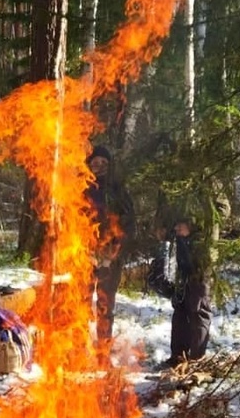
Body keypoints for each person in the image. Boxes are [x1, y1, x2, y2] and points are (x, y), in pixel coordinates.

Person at [148, 181, 229, 366]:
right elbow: (164, 209)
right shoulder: (174, 174)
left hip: (202, 251)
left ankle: (195, 361)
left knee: (198, 305)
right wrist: (162, 227)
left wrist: (191, 225)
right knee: (180, 304)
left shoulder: (208, 175)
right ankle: (178, 358)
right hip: (177, 250)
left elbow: (223, 210)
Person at [85, 145, 136, 346]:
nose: (100, 167)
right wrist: (85, 251)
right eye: (95, 163)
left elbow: (128, 224)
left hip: (110, 257)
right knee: (79, 304)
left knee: (105, 306)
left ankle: (103, 352)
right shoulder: (81, 189)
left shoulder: (118, 192)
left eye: (104, 163)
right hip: (84, 255)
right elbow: (73, 222)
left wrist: (112, 253)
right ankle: (78, 351)